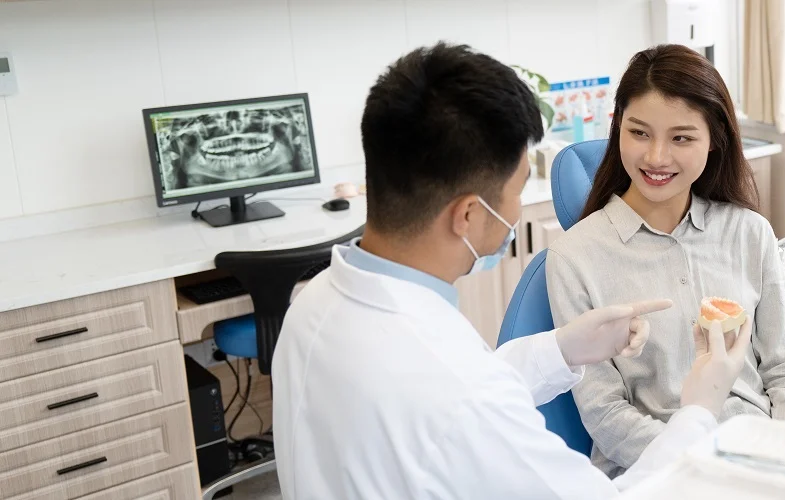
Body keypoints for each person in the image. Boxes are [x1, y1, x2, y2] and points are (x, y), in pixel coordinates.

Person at [271, 42, 754, 499]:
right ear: (468, 215)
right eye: (519, 188)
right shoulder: (464, 398)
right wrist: (699, 409)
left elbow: (452, 389)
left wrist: (561, 349)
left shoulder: (314, 302)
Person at [546, 44, 785, 478]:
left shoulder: (749, 232)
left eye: (681, 138)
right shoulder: (575, 256)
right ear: (616, 128)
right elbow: (603, 413)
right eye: (639, 133)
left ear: (715, 140)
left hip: (763, 458)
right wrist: (703, 465)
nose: (656, 157)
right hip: (658, 469)